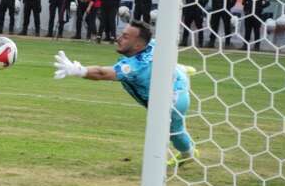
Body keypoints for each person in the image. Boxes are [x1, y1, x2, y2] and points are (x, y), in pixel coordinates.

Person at [53, 21, 197, 166]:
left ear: (137, 46)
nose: (118, 38)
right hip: (176, 78)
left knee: (175, 133)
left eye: (125, 37)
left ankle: (188, 153)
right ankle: (182, 69)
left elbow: (102, 73)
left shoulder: (133, 67)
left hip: (175, 100)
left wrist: (78, 70)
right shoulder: (151, 43)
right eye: (122, 34)